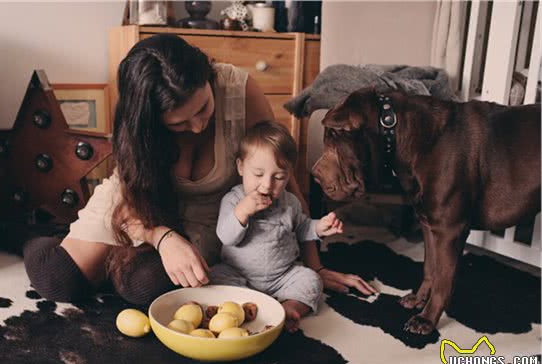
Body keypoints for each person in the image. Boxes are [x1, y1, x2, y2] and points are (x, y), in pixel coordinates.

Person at [23, 33, 376, 305]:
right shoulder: (139, 127)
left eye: (203, 109)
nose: (196, 127)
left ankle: (124, 260)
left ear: (208, 78)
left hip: (213, 215)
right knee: (58, 279)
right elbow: (129, 197)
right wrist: (161, 237)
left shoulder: (239, 90)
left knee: (149, 287)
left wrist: (314, 266)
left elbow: (283, 177)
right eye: (179, 124)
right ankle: (39, 233)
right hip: (139, 206)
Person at [212, 121, 345, 332]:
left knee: (311, 279)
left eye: (279, 177)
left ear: (289, 175)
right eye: (257, 174)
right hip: (239, 275)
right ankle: (238, 309)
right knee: (215, 276)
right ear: (240, 167)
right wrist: (243, 212)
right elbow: (226, 237)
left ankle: (288, 308)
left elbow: (302, 229)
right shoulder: (233, 200)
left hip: (283, 276)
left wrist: (320, 227)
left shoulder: (290, 202)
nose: (267, 185)